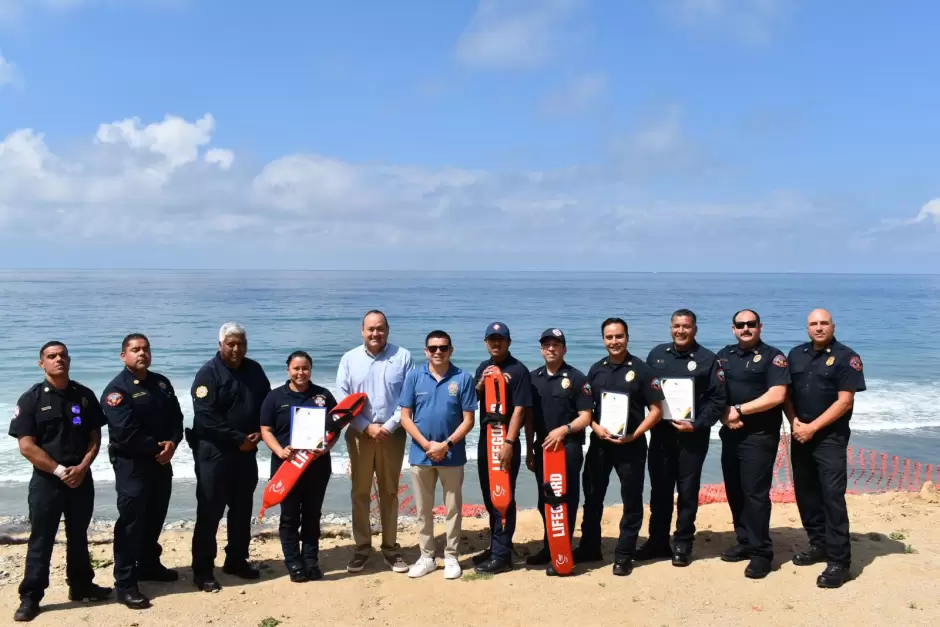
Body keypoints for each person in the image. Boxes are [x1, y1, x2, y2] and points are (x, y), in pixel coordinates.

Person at [8, 341, 112, 622]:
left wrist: (83, 466)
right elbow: (27, 446)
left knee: (79, 535)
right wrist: (59, 471)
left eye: (63, 355)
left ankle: (80, 586)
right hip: (47, 482)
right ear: (41, 363)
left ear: (69, 360)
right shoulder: (31, 399)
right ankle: (31, 597)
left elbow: (95, 437)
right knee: (41, 539)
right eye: (51, 356)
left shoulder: (85, 396)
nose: (59, 360)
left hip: (81, 478)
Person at [101, 333, 185, 609]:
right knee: (131, 523)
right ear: (123, 355)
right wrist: (157, 449)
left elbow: (177, 417)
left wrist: (173, 443)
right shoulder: (116, 391)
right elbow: (125, 433)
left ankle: (149, 564)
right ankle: (125, 584)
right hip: (132, 465)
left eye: (146, 349)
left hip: (162, 461)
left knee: (156, 515)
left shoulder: (161, 382)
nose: (142, 353)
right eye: (135, 349)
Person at [574, 318, 664, 576]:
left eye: (619, 336)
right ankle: (590, 547)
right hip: (600, 445)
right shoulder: (596, 369)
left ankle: (624, 555)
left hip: (631, 445)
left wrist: (636, 433)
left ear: (627, 337)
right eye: (609, 337)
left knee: (632, 501)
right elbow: (585, 409)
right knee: (592, 498)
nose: (614, 342)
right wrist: (594, 427)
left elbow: (657, 410)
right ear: (603, 339)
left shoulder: (643, 370)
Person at [784, 308, 866, 589]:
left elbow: (845, 402)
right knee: (806, 494)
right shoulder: (795, 354)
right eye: (813, 324)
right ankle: (818, 544)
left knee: (832, 497)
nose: (818, 328)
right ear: (807, 328)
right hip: (800, 435)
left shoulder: (847, 357)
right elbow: (787, 394)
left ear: (833, 325)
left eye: (824, 323)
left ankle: (840, 561)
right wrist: (794, 421)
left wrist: (812, 427)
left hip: (829, 439)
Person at [187, 322, 271, 592]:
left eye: (241, 343)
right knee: (210, 510)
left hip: (247, 452)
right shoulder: (207, 374)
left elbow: (267, 404)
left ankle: (236, 559)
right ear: (220, 345)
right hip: (214, 453)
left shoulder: (254, 370)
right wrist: (238, 439)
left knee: (241, 508)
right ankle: (202, 570)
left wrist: (261, 431)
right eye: (231, 343)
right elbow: (205, 417)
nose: (236, 348)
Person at [642, 309, 727, 566]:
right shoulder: (656, 355)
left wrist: (698, 424)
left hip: (692, 438)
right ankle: (657, 540)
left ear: (695, 330)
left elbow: (718, 399)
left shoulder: (708, 359)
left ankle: (682, 543)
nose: (681, 331)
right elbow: (646, 391)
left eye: (686, 327)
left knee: (688, 492)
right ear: (671, 327)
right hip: (661, 435)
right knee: (660, 490)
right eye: (677, 326)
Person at [336, 310, 414, 574]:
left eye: (380, 328)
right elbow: (342, 400)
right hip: (359, 434)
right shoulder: (349, 359)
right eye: (370, 329)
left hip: (392, 434)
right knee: (360, 493)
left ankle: (391, 548)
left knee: (390, 492)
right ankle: (362, 549)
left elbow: (408, 397)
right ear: (362, 330)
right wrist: (365, 426)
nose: (375, 334)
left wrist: (390, 425)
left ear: (387, 330)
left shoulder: (402, 357)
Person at [715, 310, 789, 579]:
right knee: (735, 491)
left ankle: (761, 553)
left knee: (756, 494)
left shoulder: (773, 356)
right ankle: (744, 541)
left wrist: (739, 410)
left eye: (751, 324)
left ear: (760, 327)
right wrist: (724, 413)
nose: (745, 328)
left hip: (759, 438)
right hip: (730, 435)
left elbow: (777, 395)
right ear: (733, 328)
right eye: (740, 325)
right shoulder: (724, 355)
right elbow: (713, 389)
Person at [398, 330, 476, 580]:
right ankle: (427, 556)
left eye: (443, 347)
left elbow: (468, 420)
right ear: (426, 351)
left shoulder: (463, 378)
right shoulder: (413, 377)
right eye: (433, 348)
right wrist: (427, 445)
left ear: (451, 350)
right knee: (423, 509)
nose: (438, 352)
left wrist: (446, 445)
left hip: (452, 455)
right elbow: (405, 417)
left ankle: (452, 556)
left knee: (453, 507)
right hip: (421, 455)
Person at [260, 351, 337, 583]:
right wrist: (279, 450)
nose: (301, 373)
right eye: (296, 368)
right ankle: (293, 562)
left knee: (313, 515)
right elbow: (266, 429)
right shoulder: (274, 397)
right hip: (287, 467)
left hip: (317, 466)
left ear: (310, 370)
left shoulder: (323, 395)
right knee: (290, 516)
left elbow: (335, 429)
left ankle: (311, 560)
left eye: (305, 368)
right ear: (288, 370)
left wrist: (327, 446)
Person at [524, 328, 593, 575]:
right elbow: (528, 418)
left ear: (564, 348)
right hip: (542, 449)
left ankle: (563, 551)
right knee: (545, 501)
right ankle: (549, 546)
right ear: (541, 349)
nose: (551, 348)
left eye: (556, 344)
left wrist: (564, 430)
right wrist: (529, 451)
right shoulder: (533, 378)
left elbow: (586, 417)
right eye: (546, 345)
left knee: (565, 501)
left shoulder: (576, 378)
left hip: (568, 448)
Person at [472, 321, 532, 574]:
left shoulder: (518, 370)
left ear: (509, 342)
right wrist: (480, 385)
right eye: (491, 339)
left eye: (501, 339)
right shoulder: (483, 368)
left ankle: (502, 555)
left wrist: (510, 442)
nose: (496, 343)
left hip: (505, 436)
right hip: (486, 435)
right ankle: (498, 545)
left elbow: (520, 409)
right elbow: (473, 399)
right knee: (489, 495)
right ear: (486, 342)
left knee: (503, 496)